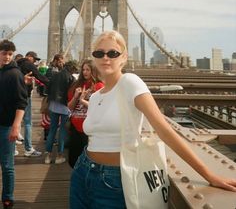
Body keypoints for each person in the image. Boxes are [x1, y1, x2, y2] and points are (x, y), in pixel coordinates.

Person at [70, 30, 236, 208]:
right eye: (99, 53)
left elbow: (164, 130)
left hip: (114, 180)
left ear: (124, 58)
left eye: (113, 53)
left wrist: (208, 174)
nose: (106, 58)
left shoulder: (130, 83)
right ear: (94, 58)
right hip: (82, 170)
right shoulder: (95, 97)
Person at [0, 40, 28, 208]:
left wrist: (16, 127)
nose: (7, 57)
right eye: (4, 53)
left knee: (7, 165)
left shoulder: (15, 74)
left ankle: (8, 198)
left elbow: (21, 103)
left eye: (10, 54)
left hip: (6, 127)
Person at [67, 59, 104, 168]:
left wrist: (83, 100)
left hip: (90, 128)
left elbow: (100, 108)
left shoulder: (99, 87)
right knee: (73, 158)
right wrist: (76, 97)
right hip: (75, 127)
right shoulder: (76, 85)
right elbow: (69, 107)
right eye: (83, 69)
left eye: (88, 70)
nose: (85, 72)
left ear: (93, 71)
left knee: (89, 159)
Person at [44, 60, 78, 165]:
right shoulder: (71, 78)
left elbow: (48, 88)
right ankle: (59, 156)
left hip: (54, 105)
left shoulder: (55, 74)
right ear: (72, 69)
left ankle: (48, 156)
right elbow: (71, 94)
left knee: (52, 130)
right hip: (64, 106)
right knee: (63, 131)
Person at [17, 51, 49, 157]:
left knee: (14, 122)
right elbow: (40, 76)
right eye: (34, 59)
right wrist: (52, 83)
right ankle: (28, 148)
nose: (35, 62)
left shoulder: (16, 64)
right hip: (25, 96)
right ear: (29, 57)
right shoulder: (28, 64)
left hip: (15, 96)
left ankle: (12, 150)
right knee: (27, 122)